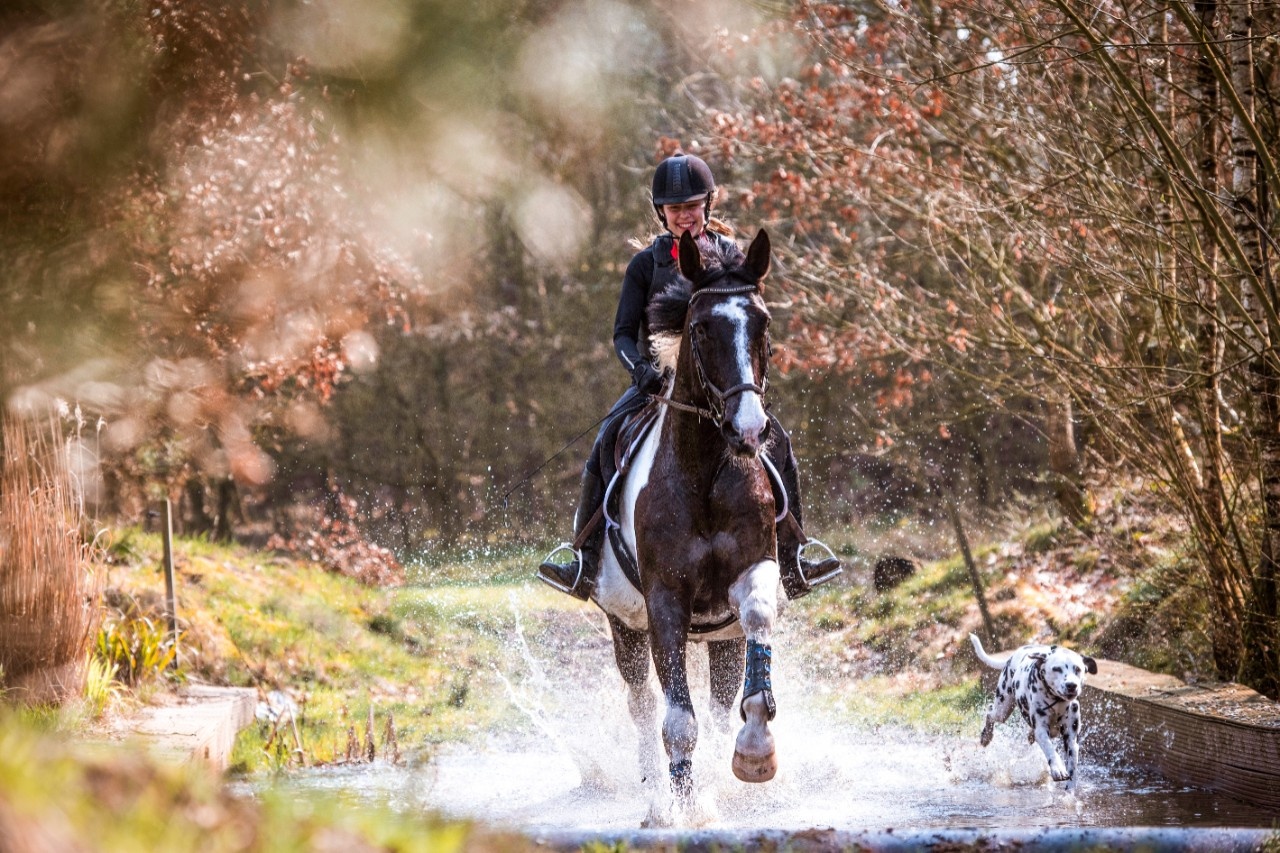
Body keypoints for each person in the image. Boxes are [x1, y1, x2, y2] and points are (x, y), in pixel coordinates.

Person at [538, 152, 841, 602]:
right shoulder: (645, 265)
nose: (684, 215)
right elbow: (622, 333)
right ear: (662, 213)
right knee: (606, 440)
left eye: (692, 206)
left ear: (708, 205)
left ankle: (795, 556)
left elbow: (744, 323)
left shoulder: (730, 255)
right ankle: (582, 558)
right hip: (656, 387)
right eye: (675, 209)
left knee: (779, 442)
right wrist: (639, 370)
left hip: (721, 389)